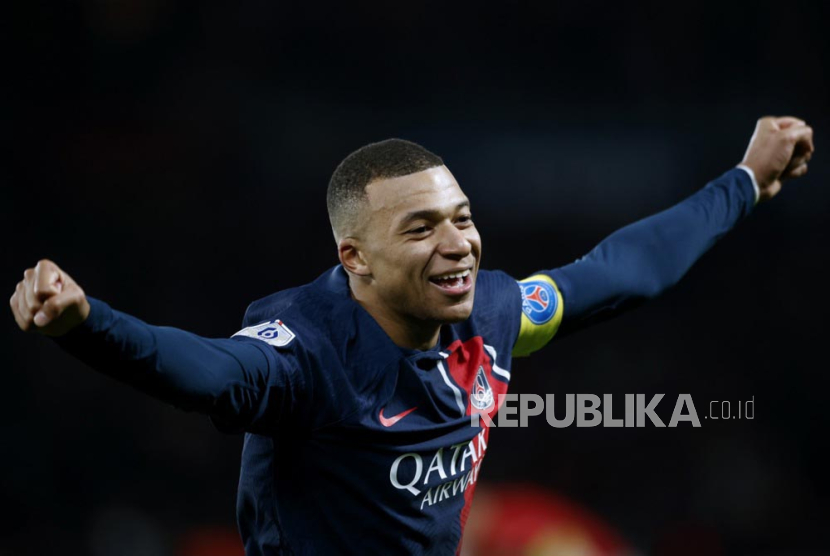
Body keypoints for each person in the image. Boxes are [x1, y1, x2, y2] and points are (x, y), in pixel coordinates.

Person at [9, 116, 814, 555]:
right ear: (353, 257)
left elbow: (623, 271)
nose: (458, 242)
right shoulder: (307, 355)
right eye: (422, 227)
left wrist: (744, 183)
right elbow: (207, 373)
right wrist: (88, 325)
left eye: (463, 218)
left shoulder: (493, 317)